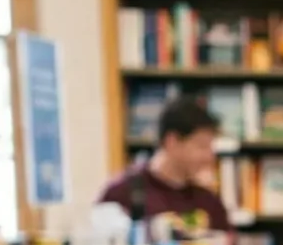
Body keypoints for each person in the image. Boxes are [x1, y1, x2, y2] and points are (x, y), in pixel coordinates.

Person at [99, 94, 232, 236]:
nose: (209, 157)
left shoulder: (207, 201)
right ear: (172, 142)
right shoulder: (122, 193)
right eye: (202, 146)